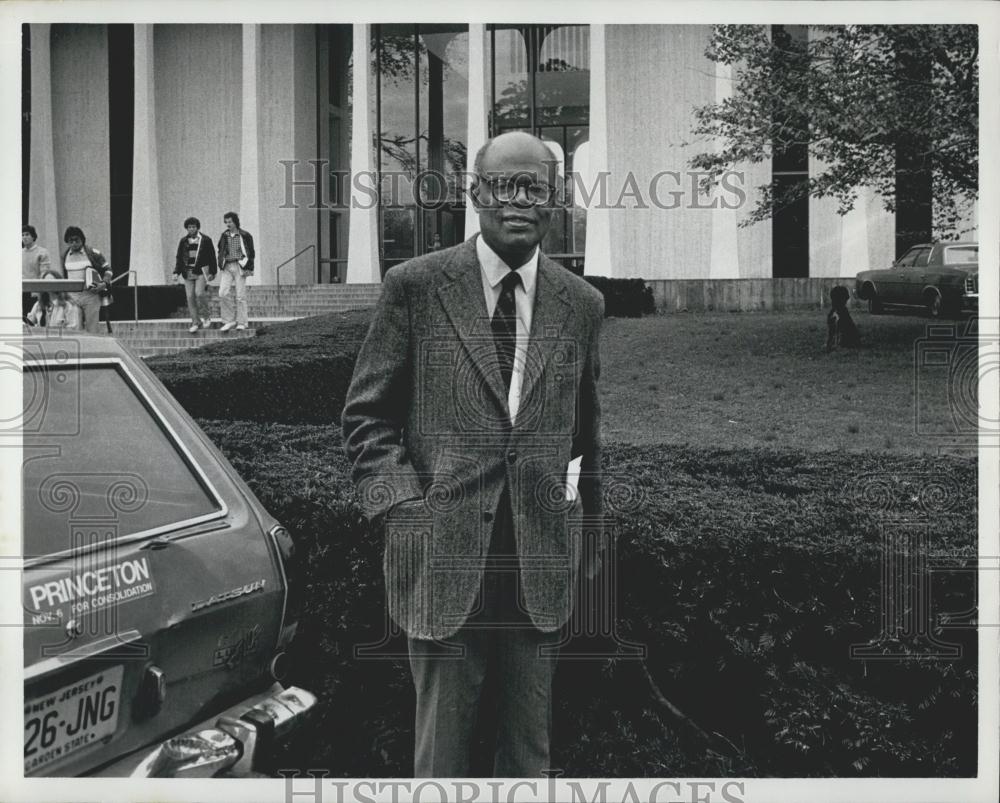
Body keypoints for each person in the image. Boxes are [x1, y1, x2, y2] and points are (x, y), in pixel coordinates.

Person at [342, 131, 605, 778]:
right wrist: (403, 513)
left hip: (536, 569)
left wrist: (585, 535)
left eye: (534, 187)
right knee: (443, 758)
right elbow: (366, 416)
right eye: (502, 186)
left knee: (528, 757)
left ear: (556, 200)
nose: (518, 201)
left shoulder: (582, 304)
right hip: (440, 563)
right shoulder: (417, 286)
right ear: (476, 194)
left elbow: (584, 432)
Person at [60, 226, 112, 334]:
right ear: (67, 242)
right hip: (73, 298)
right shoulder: (65, 256)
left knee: (92, 330)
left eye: (77, 240)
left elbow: (108, 270)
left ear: (82, 240)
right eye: (71, 241)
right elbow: (65, 276)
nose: (74, 243)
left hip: (90, 296)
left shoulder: (93, 253)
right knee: (75, 330)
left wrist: (104, 283)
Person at [174, 216, 219, 333]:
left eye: (193, 227)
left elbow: (212, 257)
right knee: (190, 297)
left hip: (200, 272)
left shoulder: (206, 240)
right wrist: (176, 272)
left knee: (199, 293)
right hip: (187, 272)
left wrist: (213, 272)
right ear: (186, 229)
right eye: (189, 227)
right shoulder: (183, 241)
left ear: (197, 227)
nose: (191, 229)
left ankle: (206, 316)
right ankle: (195, 321)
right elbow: (179, 258)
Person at [216, 212, 254, 332]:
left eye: (230, 222)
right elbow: (220, 249)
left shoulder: (244, 235)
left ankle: (242, 322)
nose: (228, 224)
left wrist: (249, 267)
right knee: (222, 292)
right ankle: (229, 320)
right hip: (227, 266)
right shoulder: (224, 235)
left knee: (240, 296)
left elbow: (251, 253)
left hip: (239, 265)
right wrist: (220, 261)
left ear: (235, 221)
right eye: (226, 222)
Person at [22, 225, 57, 324]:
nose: (24, 237)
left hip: (35, 292)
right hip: (21, 291)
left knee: (34, 320)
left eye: (27, 234)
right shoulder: (19, 253)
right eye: (22, 235)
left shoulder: (42, 252)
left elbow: (44, 274)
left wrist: (40, 292)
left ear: (33, 236)